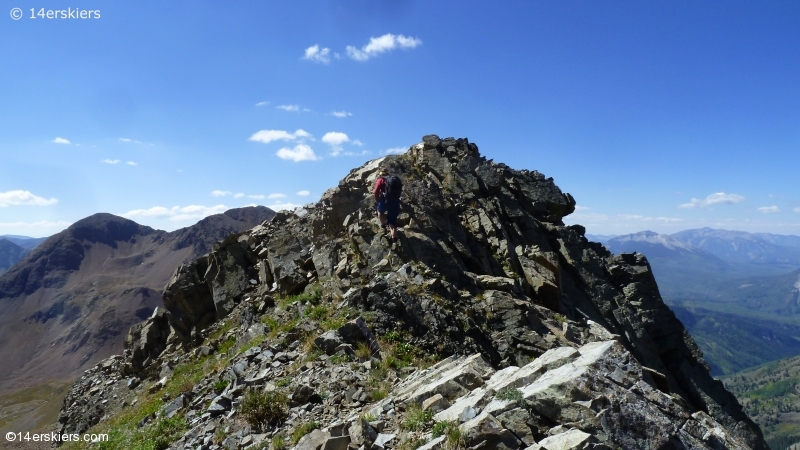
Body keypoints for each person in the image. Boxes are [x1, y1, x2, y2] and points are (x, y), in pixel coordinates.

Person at [373, 169, 402, 240]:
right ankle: (394, 241)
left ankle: (383, 226)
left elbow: (376, 191)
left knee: (380, 211)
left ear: (381, 175)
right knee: (392, 224)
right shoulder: (395, 180)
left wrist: (377, 200)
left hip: (384, 200)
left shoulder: (381, 180)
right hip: (395, 202)